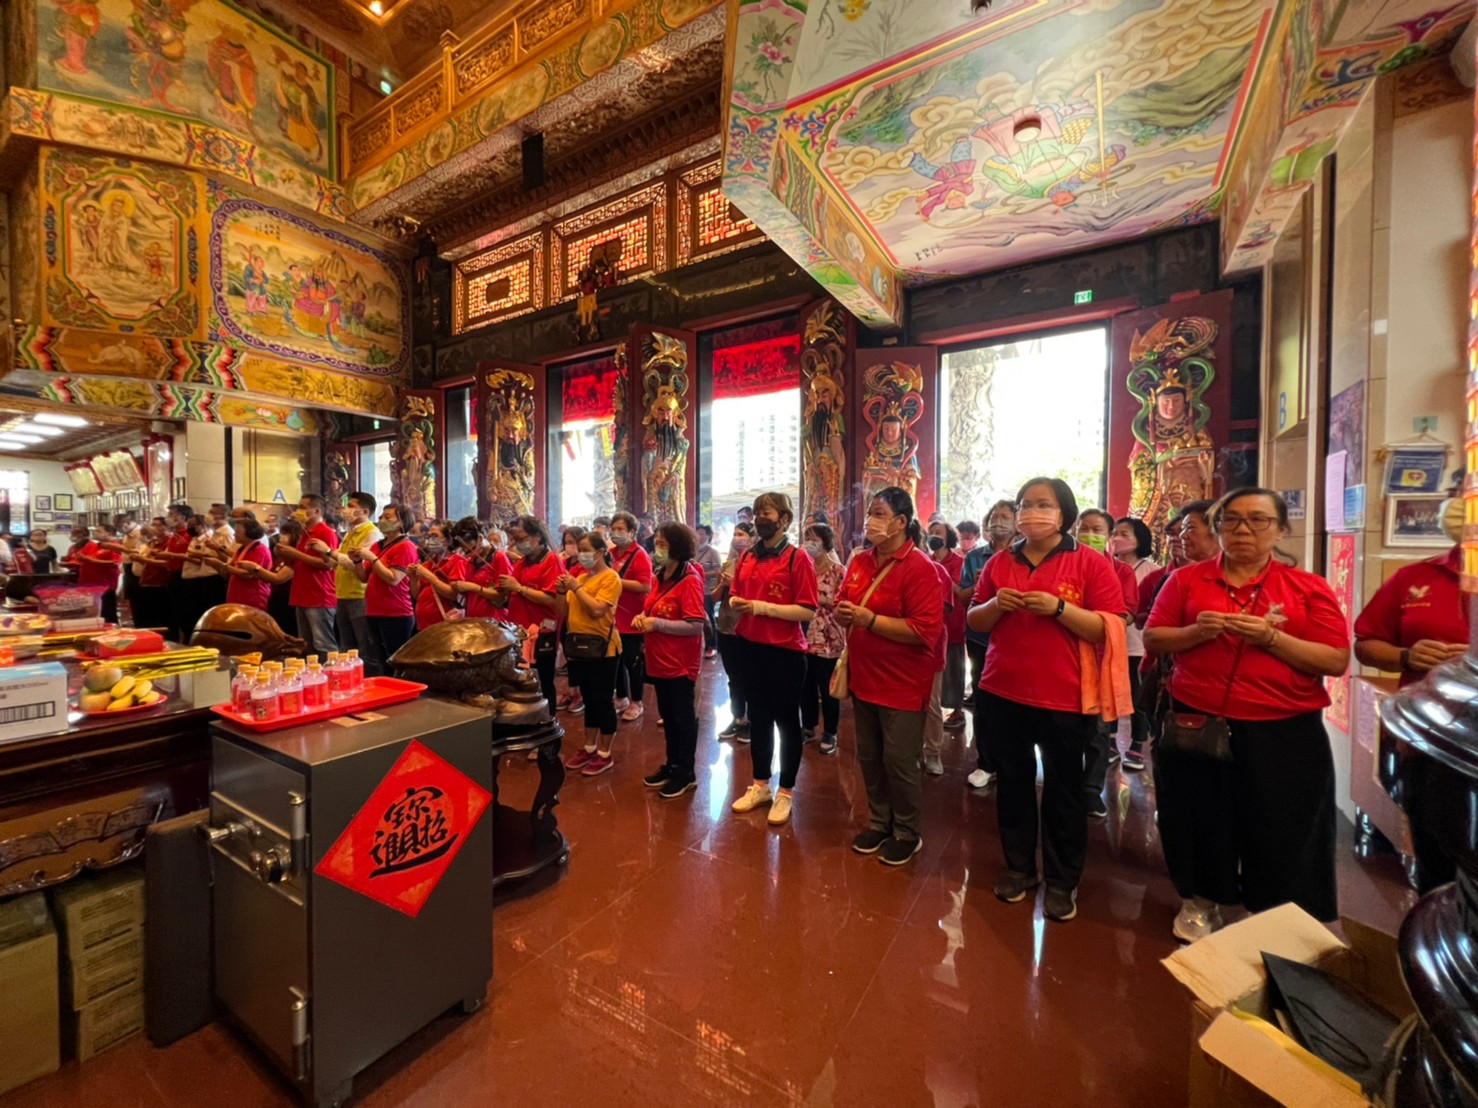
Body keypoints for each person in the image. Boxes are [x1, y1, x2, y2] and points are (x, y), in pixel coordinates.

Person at [1144, 488, 1350, 936]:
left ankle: (1275, 915)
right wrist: (1196, 633)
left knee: (1284, 824)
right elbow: (1154, 638)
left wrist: (1271, 638)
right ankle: (1200, 903)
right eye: (1232, 520)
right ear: (1218, 528)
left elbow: (1335, 659)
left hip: (1285, 730)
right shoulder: (1186, 581)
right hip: (1199, 722)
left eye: (1258, 520)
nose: (1243, 530)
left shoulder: (1306, 587)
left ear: (1280, 529)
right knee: (1197, 818)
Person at [969, 477, 1127, 923]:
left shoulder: (1090, 562)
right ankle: (1020, 869)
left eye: (1043, 504)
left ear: (1064, 513)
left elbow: (1108, 628)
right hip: (1002, 691)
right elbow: (975, 619)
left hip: (1065, 697)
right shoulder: (1000, 561)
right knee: (1013, 785)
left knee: (1064, 790)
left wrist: (1059, 609)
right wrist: (997, 605)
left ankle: (1062, 880)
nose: (1031, 512)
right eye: (1025, 503)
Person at [1352, 494, 1468, 892]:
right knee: (1438, 858)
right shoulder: (1415, 578)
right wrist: (1407, 655)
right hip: (1430, 744)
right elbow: (1366, 644)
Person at [838, 488, 947, 866]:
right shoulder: (860, 560)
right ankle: (879, 822)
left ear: (901, 522)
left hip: (902, 683)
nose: (870, 520)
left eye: (879, 513)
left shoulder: (922, 569)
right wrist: (843, 612)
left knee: (899, 762)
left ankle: (906, 831)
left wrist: (869, 619)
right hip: (864, 678)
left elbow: (923, 631)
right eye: (869, 512)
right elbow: (843, 601)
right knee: (869, 757)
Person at [728, 492, 818, 826]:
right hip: (750, 646)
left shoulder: (797, 558)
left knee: (786, 722)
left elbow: (807, 609)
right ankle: (760, 784)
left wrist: (761, 607)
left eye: (766, 512)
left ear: (784, 518)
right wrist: (738, 602)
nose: (760, 518)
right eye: (757, 513)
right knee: (759, 718)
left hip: (785, 652)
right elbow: (737, 593)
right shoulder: (748, 556)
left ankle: (786, 792)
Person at [1075, 507, 1140, 819]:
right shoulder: (1066, 565)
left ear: (1109, 536)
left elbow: (1127, 614)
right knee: (1065, 727)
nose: (1089, 534)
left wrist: (1095, 622)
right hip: (1067, 657)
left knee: (1098, 728)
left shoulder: (1122, 572)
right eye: (1084, 528)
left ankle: (1091, 788)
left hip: (1102, 659)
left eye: (1097, 529)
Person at [635, 523, 708, 797]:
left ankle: (686, 771)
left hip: (680, 663)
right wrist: (644, 618)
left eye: (663, 544)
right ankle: (672, 763)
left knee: (682, 717)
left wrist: (657, 624)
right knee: (668, 715)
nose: (657, 549)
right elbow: (653, 609)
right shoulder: (659, 576)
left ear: (677, 547)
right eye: (656, 543)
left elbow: (695, 625)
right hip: (659, 660)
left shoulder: (690, 580)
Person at [556, 531, 623, 776]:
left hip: (603, 649)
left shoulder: (610, 578)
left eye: (585, 550)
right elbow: (561, 611)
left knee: (603, 700)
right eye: (579, 549)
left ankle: (605, 753)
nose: (581, 554)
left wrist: (576, 588)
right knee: (589, 699)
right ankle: (589, 747)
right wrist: (561, 591)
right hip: (579, 647)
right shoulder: (581, 578)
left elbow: (597, 610)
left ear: (600, 552)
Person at [960, 500, 1015, 788]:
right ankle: (986, 762)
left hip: (1014, 639)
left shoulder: (1024, 554)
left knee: (1013, 704)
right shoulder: (975, 556)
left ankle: (1012, 761)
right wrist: (978, 585)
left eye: (1005, 516)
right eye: (995, 516)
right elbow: (962, 597)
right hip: (980, 638)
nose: (999, 521)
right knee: (983, 700)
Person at [498, 516, 564, 708]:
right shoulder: (521, 563)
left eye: (522, 539)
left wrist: (519, 588)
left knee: (542, 680)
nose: (519, 544)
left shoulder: (551, 560)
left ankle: (548, 718)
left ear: (537, 536)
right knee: (521, 681)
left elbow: (551, 599)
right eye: (516, 540)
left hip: (542, 631)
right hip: (519, 631)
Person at [1110, 516, 1158, 770]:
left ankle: (1137, 744)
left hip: (1138, 645)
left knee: (1137, 699)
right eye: (1114, 533)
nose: (1117, 538)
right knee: (1111, 694)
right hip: (1111, 643)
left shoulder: (1151, 571)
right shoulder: (1106, 566)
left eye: (1124, 534)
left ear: (1139, 539)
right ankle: (1110, 741)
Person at [357, 503, 421, 672]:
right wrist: (357, 561)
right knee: (380, 658)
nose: (382, 520)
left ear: (401, 522)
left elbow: (393, 579)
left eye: (388, 517)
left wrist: (373, 559)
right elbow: (363, 577)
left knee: (395, 660)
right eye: (381, 517)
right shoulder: (377, 546)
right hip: (374, 609)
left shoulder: (406, 546)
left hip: (396, 611)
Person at [800, 522, 846, 756]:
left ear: (825, 543)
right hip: (804, 634)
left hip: (829, 636)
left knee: (827, 688)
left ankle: (830, 732)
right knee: (805, 685)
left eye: (814, 539)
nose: (809, 544)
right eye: (807, 539)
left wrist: (819, 599)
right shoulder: (803, 568)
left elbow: (842, 603)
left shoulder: (839, 571)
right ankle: (808, 727)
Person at [277, 494, 340, 656]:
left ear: (317, 511)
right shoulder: (305, 533)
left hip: (319, 596)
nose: (298, 511)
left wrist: (295, 553)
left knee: (323, 645)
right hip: (302, 594)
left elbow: (327, 564)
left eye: (303, 508)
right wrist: (284, 554)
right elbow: (299, 564)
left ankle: (331, 671)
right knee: (306, 645)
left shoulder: (326, 533)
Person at [608, 512, 654, 723]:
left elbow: (645, 585)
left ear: (632, 532)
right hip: (612, 617)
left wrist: (615, 581)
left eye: (621, 529)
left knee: (632, 662)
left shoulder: (639, 554)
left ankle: (637, 701)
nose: (615, 533)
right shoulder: (610, 553)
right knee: (614, 660)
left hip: (632, 617)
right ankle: (621, 697)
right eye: (613, 529)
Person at [329, 491, 381, 668]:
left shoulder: (371, 532)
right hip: (343, 593)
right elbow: (339, 558)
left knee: (364, 647)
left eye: (351, 506)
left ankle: (367, 678)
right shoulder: (350, 532)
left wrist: (329, 552)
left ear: (365, 512)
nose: (345, 509)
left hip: (359, 595)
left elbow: (358, 563)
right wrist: (329, 556)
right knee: (346, 646)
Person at [715, 522, 754, 741]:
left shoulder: (756, 564)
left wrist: (735, 585)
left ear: (752, 538)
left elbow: (755, 597)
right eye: (735, 534)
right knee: (733, 677)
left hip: (746, 628)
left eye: (741, 534)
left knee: (748, 676)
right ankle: (737, 718)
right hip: (726, 625)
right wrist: (723, 584)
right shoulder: (728, 564)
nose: (737, 538)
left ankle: (752, 720)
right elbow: (715, 597)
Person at [929, 520, 968, 731]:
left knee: (954, 668)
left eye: (939, 532)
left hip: (953, 622)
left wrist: (941, 576)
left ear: (948, 537)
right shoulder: (926, 560)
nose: (934, 535)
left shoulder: (958, 561)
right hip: (931, 622)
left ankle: (957, 710)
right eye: (931, 532)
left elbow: (960, 591)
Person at [411, 520, 470, 631]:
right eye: (429, 536)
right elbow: (417, 595)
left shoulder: (458, 561)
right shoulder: (429, 563)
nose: (430, 540)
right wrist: (413, 577)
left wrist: (430, 577)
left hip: (445, 624)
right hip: (423, 624)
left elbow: (453, 594)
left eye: (435, 536)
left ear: (447, 540)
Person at [251, 516, 304, 637]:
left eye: (286, 534)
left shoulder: (295, 557)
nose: (282, 537)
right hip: (276, 598)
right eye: (282, 533)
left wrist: (255, 568)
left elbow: (278, 578)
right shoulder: (280, 555)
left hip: (287, 601)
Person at [63, 522, 123, 624]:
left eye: (99, 531)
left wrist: (89, 560)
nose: (95, 533)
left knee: (106, 612)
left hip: (105, 584)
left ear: (109, 533)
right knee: (91, 612)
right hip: (87, 583)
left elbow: (114, 563)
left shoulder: (115, 546)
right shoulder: (91, 544)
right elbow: (80, 558)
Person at [212, 516, 273, 611]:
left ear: (249, 533)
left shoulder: (260, 549)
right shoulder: (241, 549)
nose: (234, 534)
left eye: (237, 532)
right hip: (238, 593)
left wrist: (222, 565)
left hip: (252, 596)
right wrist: (216, 565)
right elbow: (231, 572)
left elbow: (248, 574)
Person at [695, 524, 723, 659]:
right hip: (695, 589)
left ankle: (712, 645)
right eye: (697, 533)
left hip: (707, 590)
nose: (698, 536)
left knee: (708, 617)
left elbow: (718, 571)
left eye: (701, 533)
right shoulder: (693, 551)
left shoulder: (712, 552)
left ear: (708, 536)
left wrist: (700, 574)